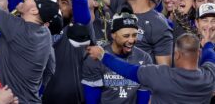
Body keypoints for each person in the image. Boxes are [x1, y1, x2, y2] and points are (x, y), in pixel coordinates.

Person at [87, 33, 215, 104]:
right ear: (199, 53)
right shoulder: (209, 77)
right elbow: (210, 57)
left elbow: (127, 69)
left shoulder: (161, 75)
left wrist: (102, 56)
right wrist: (208, 43)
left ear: (176, 55)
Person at [82, 7, 152, 104]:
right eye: (126, 36)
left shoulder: (144, 58)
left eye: (134, 35)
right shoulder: (96, 57)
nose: (131, 40)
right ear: (113, 35)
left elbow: (143, 97)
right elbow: (92, 100)